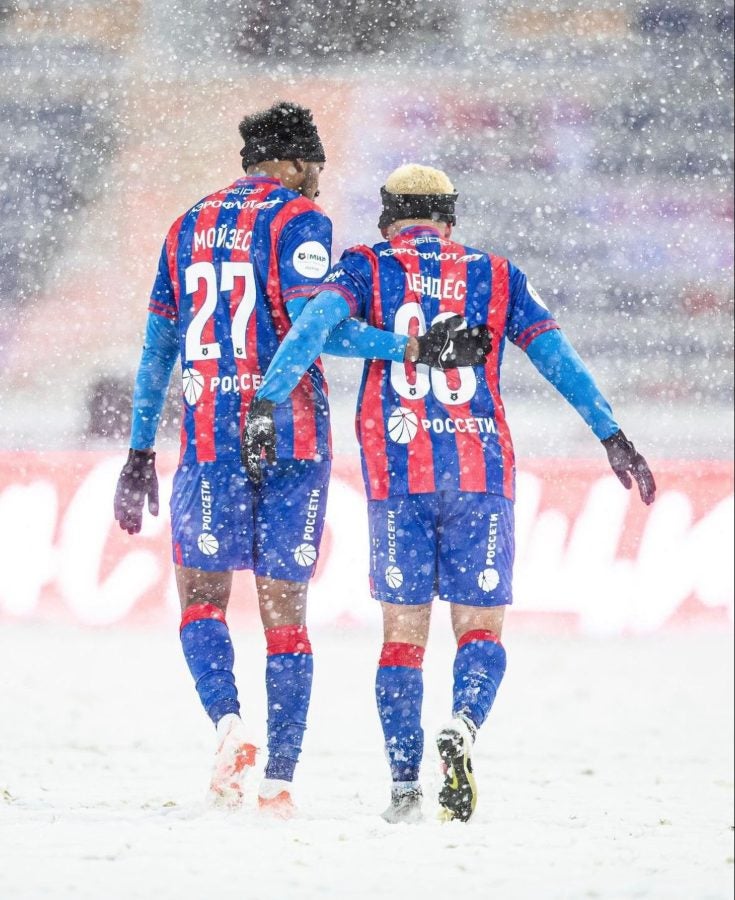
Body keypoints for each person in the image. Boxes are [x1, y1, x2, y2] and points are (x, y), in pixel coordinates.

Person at [242, 163, 656, 824]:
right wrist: (609, 432)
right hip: (479, 474)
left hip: (396, 475)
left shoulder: (363, 268)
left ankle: (404, 787)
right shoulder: (495, 275)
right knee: (480, 630)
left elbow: (312, 330)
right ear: (449, 218)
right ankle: (461, 724)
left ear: (388, 217)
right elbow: (556, 358)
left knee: (401, 640)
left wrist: (265, 400)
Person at [113, 108, 490, 817]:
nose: (318, 182)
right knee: (286, 616)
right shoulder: (299, 222)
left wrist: (138, 449)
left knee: (201, 603)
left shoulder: (184, 226)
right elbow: (322, 328)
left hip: (205, 435)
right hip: (292, 435)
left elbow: (155, 350)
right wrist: (413, 347)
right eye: (314, 166)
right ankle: (281, 779)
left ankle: (227, 727)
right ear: (289, 163)